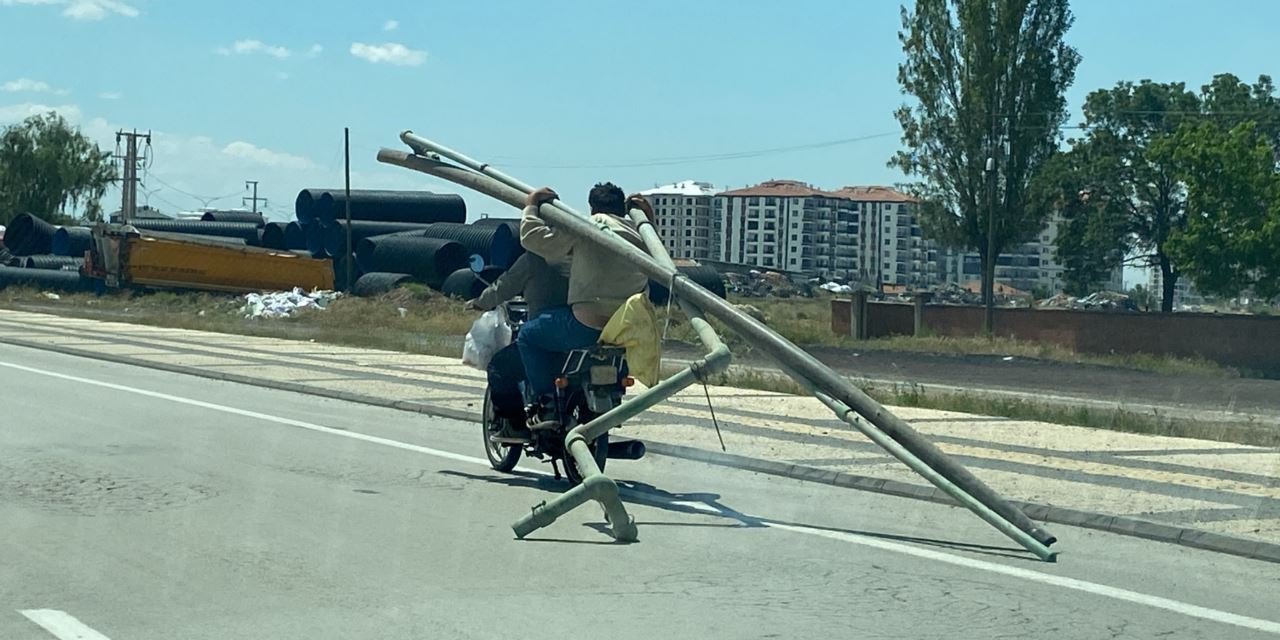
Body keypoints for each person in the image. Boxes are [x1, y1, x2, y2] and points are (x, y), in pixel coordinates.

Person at [517, 182, 651, 414]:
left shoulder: (587, 227)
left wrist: (530, 206)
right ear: (622, 208)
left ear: (592, 208)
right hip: (627, 332)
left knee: (528, 336)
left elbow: (533, 239)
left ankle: (545, 400)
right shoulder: (640, 234)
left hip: (586, 326)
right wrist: (648, 218)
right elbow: (657, 260)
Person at [465, 252, 569, 431]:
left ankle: (516, 425)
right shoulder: (584, 255)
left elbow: (505, 286)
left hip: (546, 330)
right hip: (587, 330)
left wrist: (481, 302)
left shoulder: (534, 258)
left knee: (499, 367)